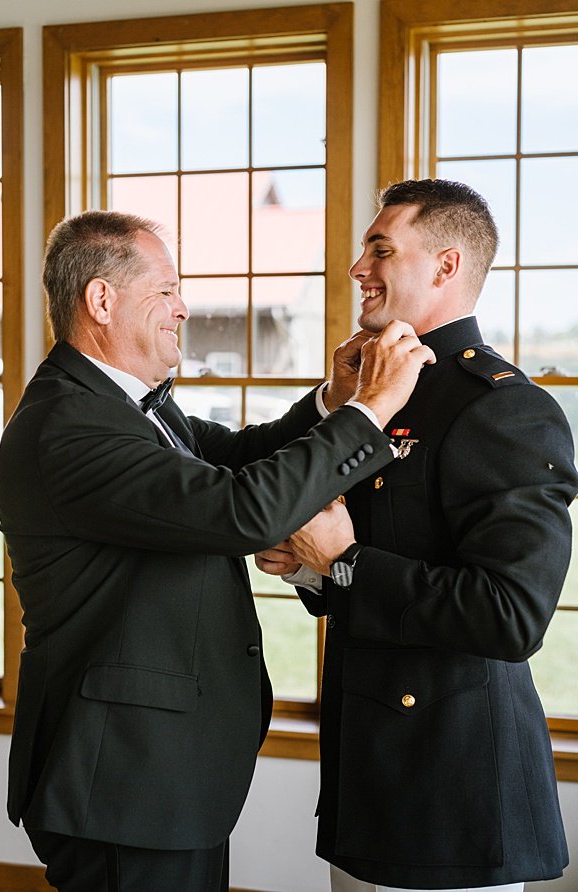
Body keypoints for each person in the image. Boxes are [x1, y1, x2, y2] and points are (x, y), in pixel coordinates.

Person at [0, 209, 436, 891]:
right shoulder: (70, 428)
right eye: (166, 290)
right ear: (102, 300)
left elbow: (234, 459)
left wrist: (332, 401)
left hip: (162, 779)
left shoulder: (128, 403)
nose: (184, 307)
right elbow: (241, 510)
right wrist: (372, 411)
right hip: (121, 783)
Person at [256, 179, 578, 891]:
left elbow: (511, 616)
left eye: (381, 249)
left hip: (454, 795)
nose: (356, 268)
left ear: (446, 266)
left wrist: (341, 558)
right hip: (367, 783)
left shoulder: (504, 411)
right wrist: (312, 568)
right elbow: (367, 561)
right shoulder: (375, 398)